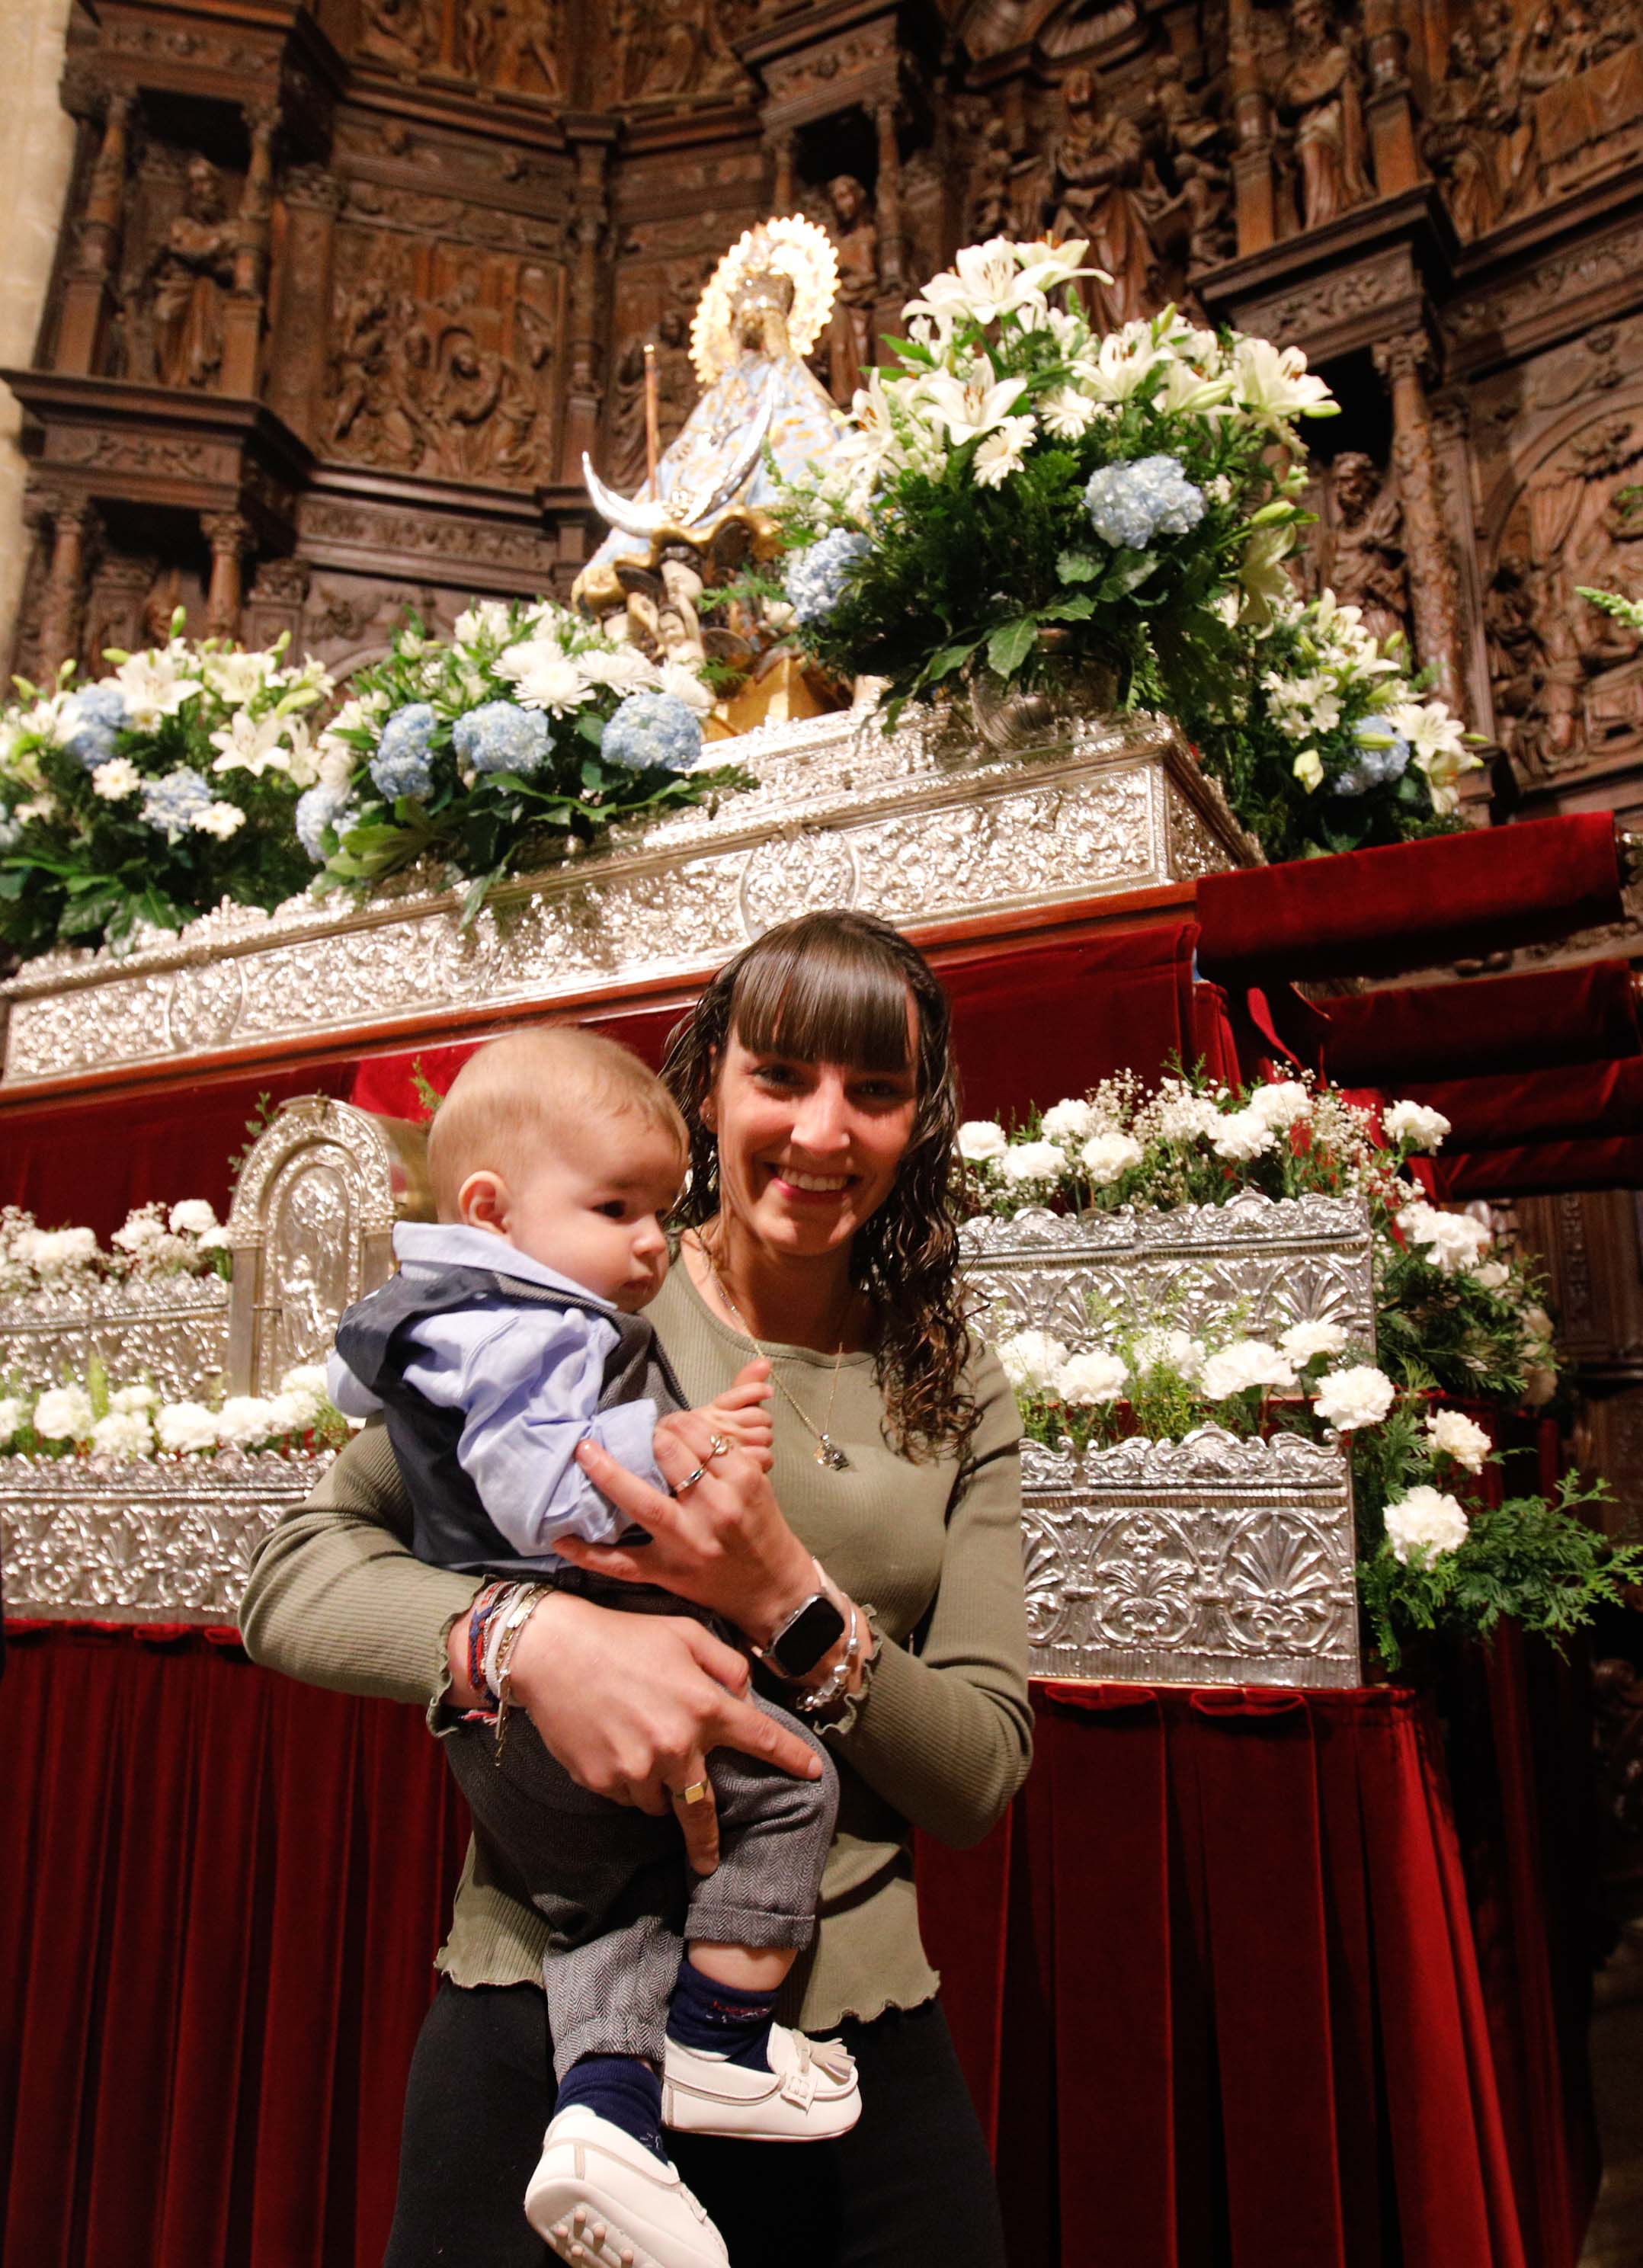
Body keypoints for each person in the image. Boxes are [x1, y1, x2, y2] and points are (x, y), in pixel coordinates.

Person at [240, 908, 1033, 2268]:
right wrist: (527, 1637)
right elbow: (291, 1579)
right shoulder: (590, 1288)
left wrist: (785, 1590)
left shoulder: (952, 1381)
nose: (825, 1132)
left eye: (876, 1091)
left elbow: (978, 1774)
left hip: (843, 2031)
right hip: (548, 2014)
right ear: (710, 1082)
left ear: (923, 1120)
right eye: (782, 1078)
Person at [327, 1027, 864, 2268]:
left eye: (656, 1212)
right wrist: (575, 1586)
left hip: (521, 1771)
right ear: (493, 1210)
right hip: (547, 1714)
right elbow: (516, 1497)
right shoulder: (543, 1325)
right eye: (617, 1209)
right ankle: (721, 2048)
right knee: (793, 1787)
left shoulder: (458, 1313)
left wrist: (693, 1453)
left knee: (615, 1906)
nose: (646, 1243)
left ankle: (610, 2131)